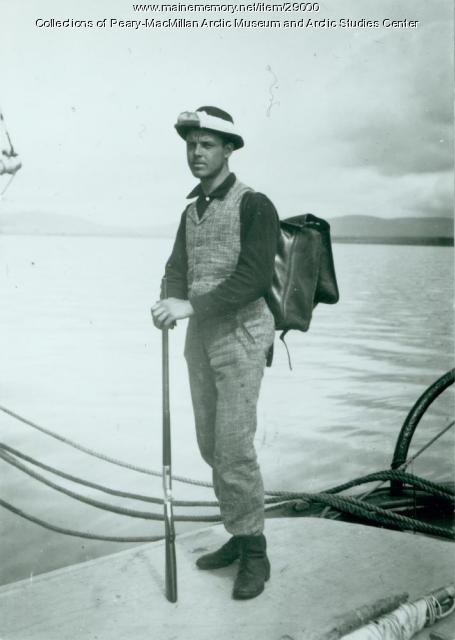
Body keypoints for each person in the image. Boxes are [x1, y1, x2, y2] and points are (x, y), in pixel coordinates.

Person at [151, 106, 279, 600]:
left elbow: (253, 279)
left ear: (229, 149)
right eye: (191, 145)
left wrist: (189, 304)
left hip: (243, 339)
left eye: (207, 144)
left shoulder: (255, 204)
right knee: (210, 444)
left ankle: (255, 553)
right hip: (199, 341)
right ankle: (238, 532)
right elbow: (176, 268)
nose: (196, 153)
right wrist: (167, 301)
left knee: (233, 447)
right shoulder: (191, 211)